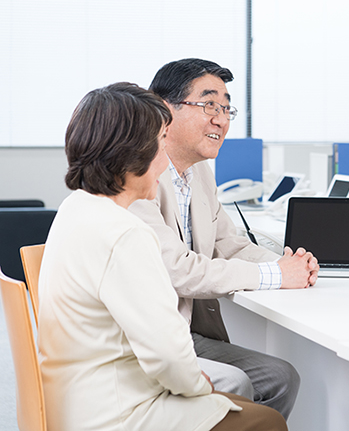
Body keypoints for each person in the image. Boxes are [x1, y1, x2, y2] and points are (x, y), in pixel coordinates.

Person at [37, 82, 286, 431]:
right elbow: (167, 352)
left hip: (76, 394)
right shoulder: (126, 234)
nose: (165, 160)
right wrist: (199, 386)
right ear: (131, 153)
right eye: (159, 144)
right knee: (266, 420)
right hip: (117, 411)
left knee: (240, 399)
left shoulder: (75, 209)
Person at [129, 58, 318, 419]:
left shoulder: (199, 173)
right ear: (165, 109)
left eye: (226, 107)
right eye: (209, 105)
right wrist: (277, 276)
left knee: (280, 377)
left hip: (186, 331)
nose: (221, 119)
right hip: (149, 338)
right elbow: (176, 271)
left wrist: (288, 265)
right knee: (238, 383)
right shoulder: (139, 175)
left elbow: (229, 244)